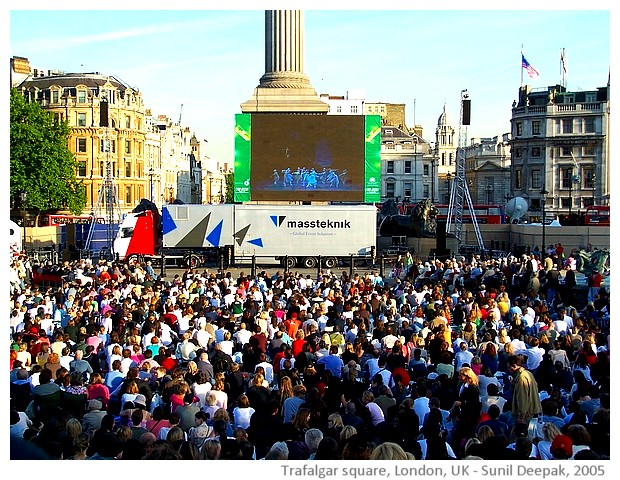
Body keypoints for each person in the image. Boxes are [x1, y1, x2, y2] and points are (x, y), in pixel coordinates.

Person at [507, 354, 542, 424]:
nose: (508, 369)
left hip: (526, 414)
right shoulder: (527, 373)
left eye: (509, 367)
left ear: (514, 366)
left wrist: (521, 417)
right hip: (532, 410)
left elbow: (522, 398)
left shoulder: (521, 378)